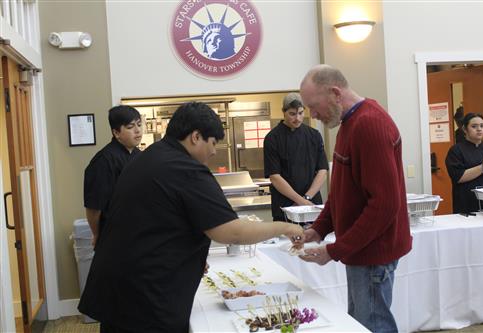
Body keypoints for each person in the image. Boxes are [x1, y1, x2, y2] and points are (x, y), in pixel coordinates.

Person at [78, 102, 304, 333]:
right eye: (213, 143)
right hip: (143, 296)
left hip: (120, 287)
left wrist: (189, 257)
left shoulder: (152, 155)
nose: (214, 151)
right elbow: (231, 232)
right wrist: (285, 228)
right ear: (196, 137)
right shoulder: (184, 168)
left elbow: (158, 222)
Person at [296, 64, 412, 333]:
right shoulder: (349, 123)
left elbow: (384, 205)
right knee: (360, 322)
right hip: (361, 251)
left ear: (336, 93)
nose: (312, 115)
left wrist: (334, 250)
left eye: (313, 106)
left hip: (373, 253)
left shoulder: (369, 125)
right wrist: (318, 229)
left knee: (372, 325)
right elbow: (341, 192)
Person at [264, 92, 328, 222]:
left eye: (300, 113)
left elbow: (322, 170)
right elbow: (275, 177)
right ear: (284, 112)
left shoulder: (314, 135)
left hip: (311, 205)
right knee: (287, 242)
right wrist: (299, 201)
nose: (297, 118)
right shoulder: (272, 138)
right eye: (292, 114)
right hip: (285, 206)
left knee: (315, 241)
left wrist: (307, 199)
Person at [84, 105, 142, 246]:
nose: (138, 130)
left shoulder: (139, 156)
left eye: (139, 125)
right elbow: (93, 207)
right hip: (114, 235)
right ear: (116, 133)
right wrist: (97, 234)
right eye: (130, 127)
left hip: (139, 231)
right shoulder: (103, 161)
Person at [445, 113, 483, 214]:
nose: (479, 129)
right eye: (474, 126)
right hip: (468, 205)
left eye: (482, 126)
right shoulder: (456, 150)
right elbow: (459, 177)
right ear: (465, 129)